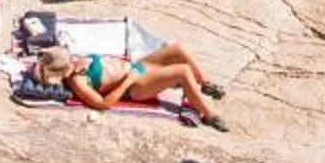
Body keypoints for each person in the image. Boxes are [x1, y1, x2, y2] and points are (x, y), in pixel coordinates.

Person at [32, 40, 228, 128]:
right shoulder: (78, 83)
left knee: (178, 48)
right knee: (182, 71)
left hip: (135, 68)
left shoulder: (76, 64)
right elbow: (104, 104)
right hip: (136, 85)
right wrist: (128, 81)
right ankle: (210, 115)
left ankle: (205, 84)